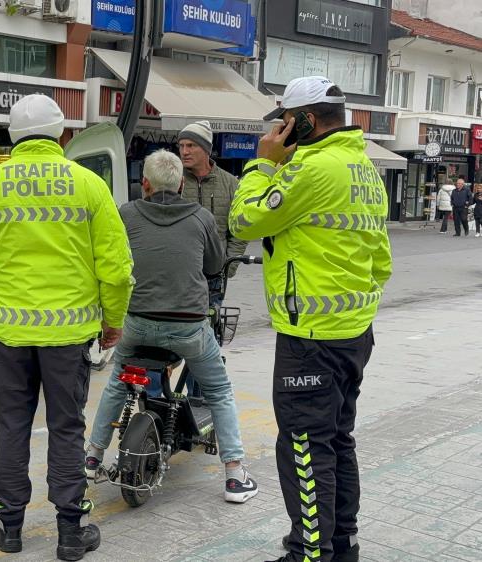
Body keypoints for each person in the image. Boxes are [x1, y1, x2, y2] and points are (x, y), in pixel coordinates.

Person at [0, 94, 133, 561]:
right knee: (67, 428)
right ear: (62, 134)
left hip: (10, 336)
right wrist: (113, 321)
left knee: (11, 426)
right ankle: (71, 531)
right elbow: (116, 267)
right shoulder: (88, 185)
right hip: (68, 337)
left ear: (12, 135)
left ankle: (9, 526)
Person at [230, 76, 392, 562]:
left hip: (311, 337)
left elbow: (244, 221)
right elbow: (379, 260)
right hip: (352, 332)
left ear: (304, 120)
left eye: (283, 120)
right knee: (337, 441)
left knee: (305, 447)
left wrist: (262, 164)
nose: (278, 129)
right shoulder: (364, 168)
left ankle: (310, 552)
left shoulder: (313, 169)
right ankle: (341, 544)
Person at [84, 149, 259, 503]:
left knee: (118, 382)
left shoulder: (127, 213)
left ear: (144, 184)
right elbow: (213, 266)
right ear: (180, 184)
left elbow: (113, 261)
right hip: (188, 328)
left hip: (136, 323)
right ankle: (235, 476)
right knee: (219, 390)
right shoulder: (202, 217)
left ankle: (92, 458)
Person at [178, 120, 249, 280]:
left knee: (212, 307)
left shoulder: (230, 183)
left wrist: (228, 265)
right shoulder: (174, 179)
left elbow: (240, 230)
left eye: (190, 145)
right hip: (180, 273)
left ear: (206, 149)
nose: (184, 151)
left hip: (216, 273)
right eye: (181, 146)